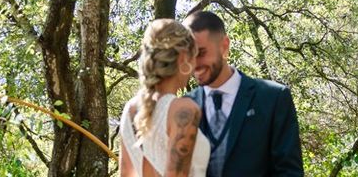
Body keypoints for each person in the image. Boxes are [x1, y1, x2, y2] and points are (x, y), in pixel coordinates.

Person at [183, 11, 304, 177]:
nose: (194, 64)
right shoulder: (184, 105)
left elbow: (289, 172)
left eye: (201, 53)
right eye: (188, 55)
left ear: (224, 46)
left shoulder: (274, 98)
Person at [119, 19, 211, 176]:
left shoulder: (131, 109)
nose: (195, 65)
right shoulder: (184, 110)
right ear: (183, 58)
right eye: (194, 56)